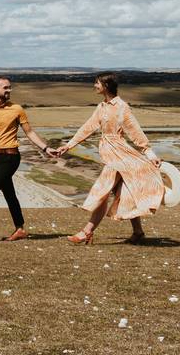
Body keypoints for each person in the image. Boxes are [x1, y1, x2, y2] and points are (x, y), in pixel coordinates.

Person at [55, 73, 164, 245]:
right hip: (109, 154)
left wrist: (149, 153)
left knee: (103, 190)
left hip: (119, 154)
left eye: (97, 83)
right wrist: (68, 145)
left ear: (106, 85)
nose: (94, 85)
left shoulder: (122, 107)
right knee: (125, 191)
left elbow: (134, 131)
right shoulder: (101, 107)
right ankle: (138, 232)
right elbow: (88, 127)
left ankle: (86, 232)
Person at [0, 76, 54, 242]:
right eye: (5, 88)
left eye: (10, 87)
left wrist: (45, 147)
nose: (9, 90)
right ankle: (20, 228)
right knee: (9, 194)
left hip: (11, 157)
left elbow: (29, 132)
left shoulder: (17, 109)